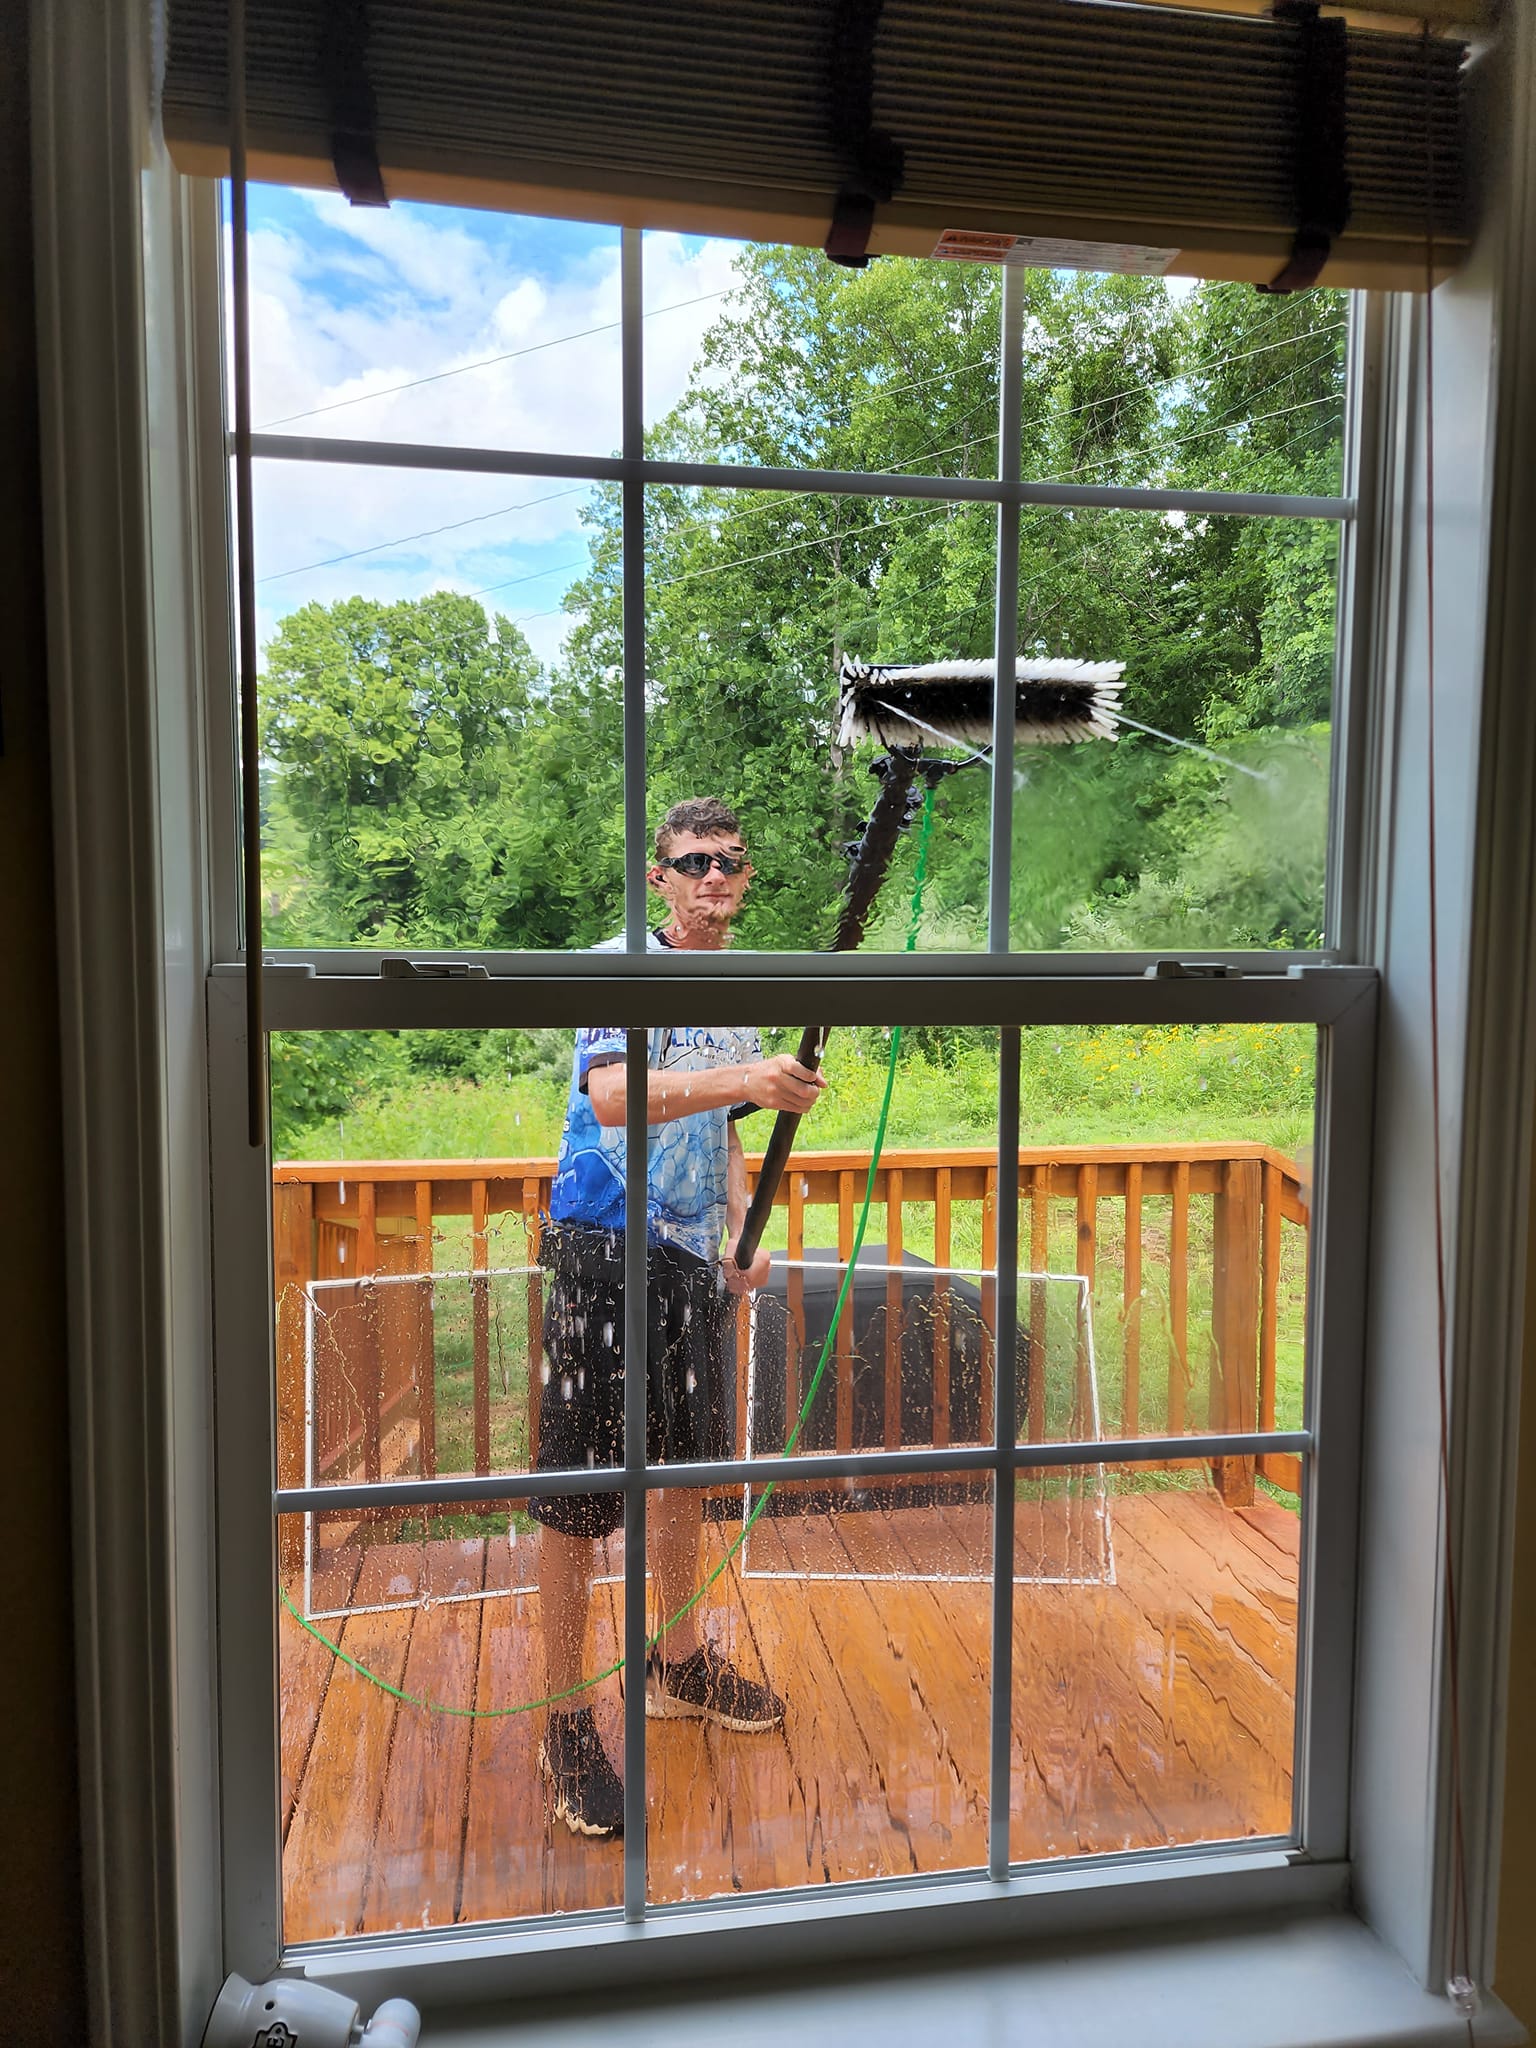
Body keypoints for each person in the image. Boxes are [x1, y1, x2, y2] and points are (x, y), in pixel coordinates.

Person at [530, 797, 827, 1838]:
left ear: (746, 877)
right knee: (577, 1497)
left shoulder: (733, 987)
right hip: (602, 1254)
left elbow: (730, 1132)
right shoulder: (619, 958)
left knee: (686, 1474)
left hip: (692, 1263)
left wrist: (741, 1225)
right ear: (658, 876)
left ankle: (676, 1659)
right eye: (692, 861)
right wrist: (749, 1073)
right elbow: (613, 1095)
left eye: (730, 862)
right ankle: (562, 1716)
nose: (712, 877)